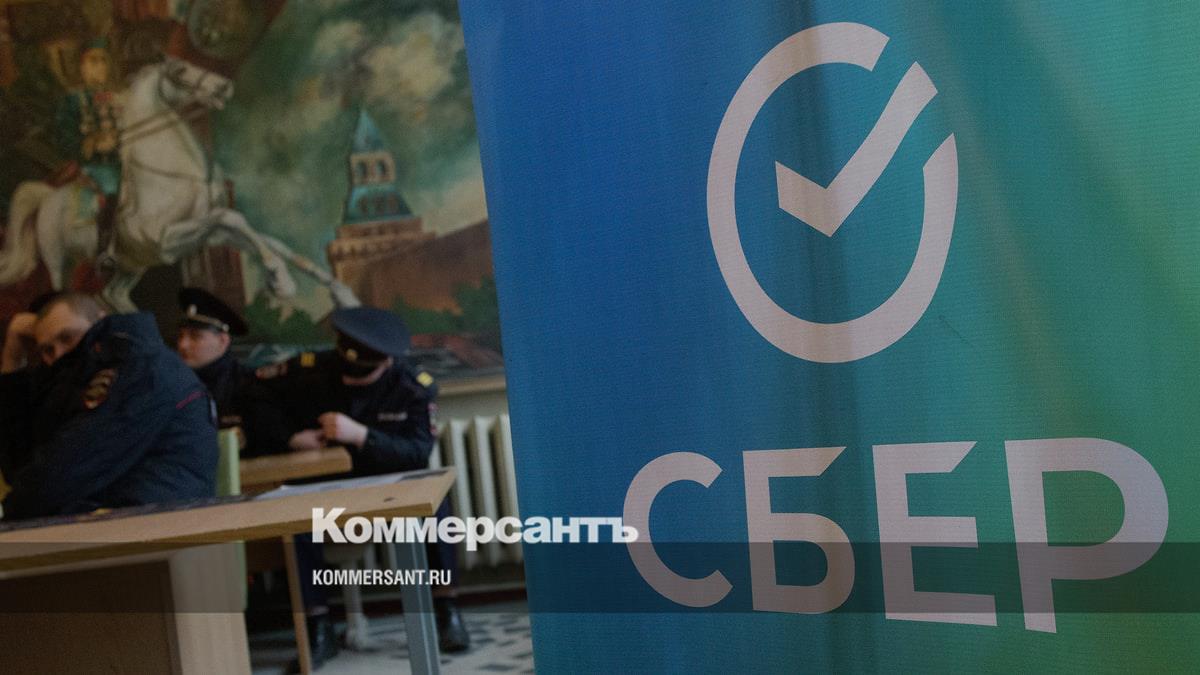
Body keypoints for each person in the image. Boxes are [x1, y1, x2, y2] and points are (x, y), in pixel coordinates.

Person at [255, 306, 470, 669]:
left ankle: (446, 608)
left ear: (385, 361)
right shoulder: (310, 370)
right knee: (294, 515)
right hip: (325, 487)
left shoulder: (412, 386)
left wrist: (362, 435)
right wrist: (289, 437)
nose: (351, 381)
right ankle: (318, 626)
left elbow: (418, 451)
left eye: (362, 376)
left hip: (386, 485)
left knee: (436, 504)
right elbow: (255, 397)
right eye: (347, 373)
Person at [0, 293, 217, 520]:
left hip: (159, 525)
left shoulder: (143, 367)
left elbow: (65, 472)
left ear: (100, 320)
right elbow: (20, 469)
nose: (59, 354)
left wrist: (8, 514)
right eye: (47, 350)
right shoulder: (74, 382)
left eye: (67, 337)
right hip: (119, 520)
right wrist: (13, 361)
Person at [175, 287, 281, 454]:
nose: (183, 345)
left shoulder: (247, 386)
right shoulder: (173, 387)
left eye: (195, 336)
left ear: (223, 341)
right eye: (181, 336)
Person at [53, 37, 123, 259]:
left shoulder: (119, 97)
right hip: (94, 167)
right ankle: (105, 252)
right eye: (93, 61)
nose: (100, 66)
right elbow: (63, 139)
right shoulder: (72, 100)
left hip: (125, 162)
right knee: (112, 189)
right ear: (82, 66)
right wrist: (93, 144)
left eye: (103, 61)